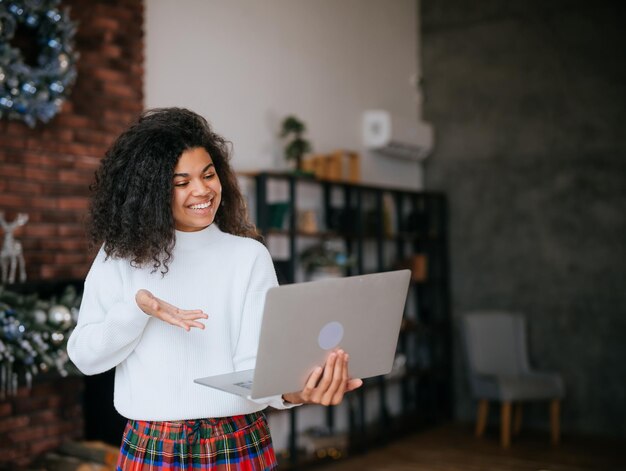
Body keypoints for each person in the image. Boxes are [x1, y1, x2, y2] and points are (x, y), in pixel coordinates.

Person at [67, 107, 362, 470]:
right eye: (181, 182)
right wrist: (136, 310)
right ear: (150, 192)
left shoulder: (248, 256)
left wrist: (295, 392)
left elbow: (254, 367)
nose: (202, 190)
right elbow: (84, 357)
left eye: (208, 175)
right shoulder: (120, 257)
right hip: (153, 445)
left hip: (239, 440)